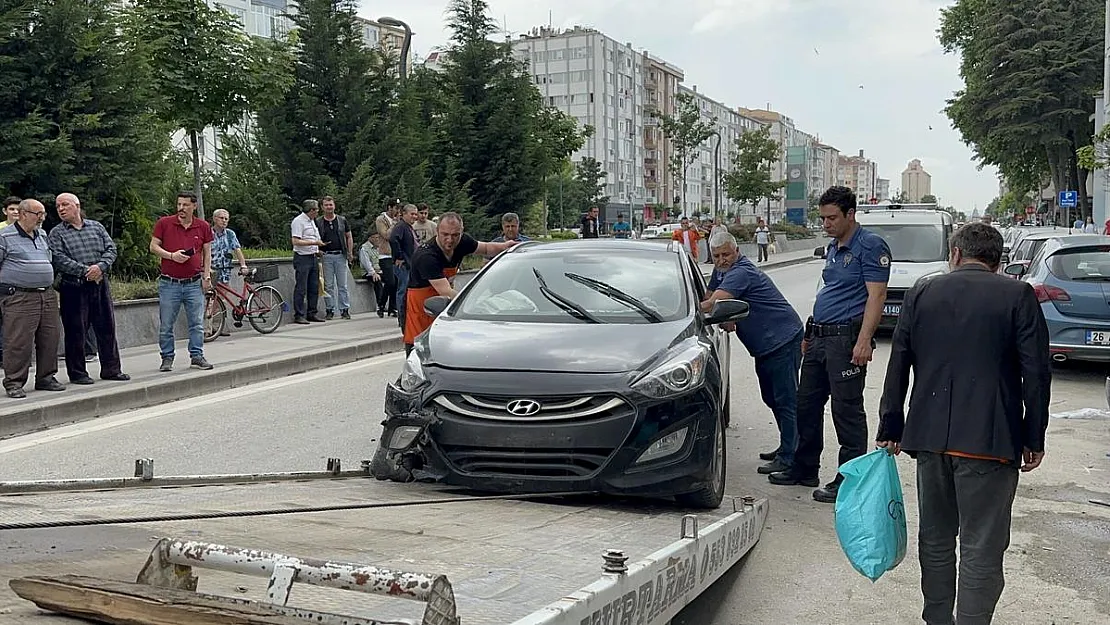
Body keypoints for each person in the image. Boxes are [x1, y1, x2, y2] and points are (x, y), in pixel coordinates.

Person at [877, 222, 1051, 625]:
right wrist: (1033, 435)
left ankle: (937, 618)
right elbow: (1036, 373)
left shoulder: (923, 291)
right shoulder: (1017, 294)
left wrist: (891, 424)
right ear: (998, 260)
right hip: (989, 442)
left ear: (955, 254)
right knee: (981, 546)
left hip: (930, 440)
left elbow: (899, 358)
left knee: (936, 539)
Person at [768, 185, 892, 503]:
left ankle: (849, 480)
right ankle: (804, 467)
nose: (826, 224)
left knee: (846, 412)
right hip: (821, 338)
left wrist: (864, 340)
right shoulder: (835, 247)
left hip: (846, 341)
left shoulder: (869, 245)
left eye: (831, 218)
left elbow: (877, 296)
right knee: (806, 405)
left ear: (851, 214)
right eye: (822, 218)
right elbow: (829, 293)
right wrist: (810, 335)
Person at [702, 231, 803, 472]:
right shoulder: (721, 271)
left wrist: (684, 309)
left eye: (726, 254)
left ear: (736, 251)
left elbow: (714, 302)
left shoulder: (740, 271)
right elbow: (710, 295)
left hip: (782, 339)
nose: (721, 260)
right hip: (766, 345)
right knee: (771, 397)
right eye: (716, 256)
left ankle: (792, 457)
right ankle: (787, 445)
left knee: (786, 399)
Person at [402, 212, 518, 354]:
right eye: (445, 234)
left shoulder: (462, 242)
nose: (449, 240)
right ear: (437, 231)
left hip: (443, 309)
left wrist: (505, 246)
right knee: (419, 357)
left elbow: (486, 248)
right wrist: (475, 307)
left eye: (455, 235)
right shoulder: (426, 257)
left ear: (461, 233)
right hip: (419, 313)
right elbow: (446, 292)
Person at [47, 192, 130, 384]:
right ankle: (77, 373)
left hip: (100, 283)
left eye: (65, 205)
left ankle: (111, 369)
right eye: (58, 206)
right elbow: (58, 258)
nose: (60, 209)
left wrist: (100, 267)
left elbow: (111, 249)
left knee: (107, 328)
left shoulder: (96, 226)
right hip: (73, 287)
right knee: (76, 331)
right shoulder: (57, 233)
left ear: (77, 205)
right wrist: (85, 270)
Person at [0, 199, 64, 398]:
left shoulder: (42, 235)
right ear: (23, 214)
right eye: (38, 214)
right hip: (19, 295)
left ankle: (46, 377)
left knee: (50, 337)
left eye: (43, 214)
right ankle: (14, 382)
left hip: (46, 293)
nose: (42, 218)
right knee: (19, 340)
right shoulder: (4, 236)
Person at [150, 192, 214, 372]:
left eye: (185, 205)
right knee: (166, 323)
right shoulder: (164, 223)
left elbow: (207, 252)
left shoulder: (202, 226)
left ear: (194, 206)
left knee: (196, 322)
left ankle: (197, 355)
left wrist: (206, 275)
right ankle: (167, 357)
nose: (181, 208)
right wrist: (171, 256)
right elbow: (153, 246)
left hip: (193, 282)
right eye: (179, 204)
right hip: (170, 283)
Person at [315, 196, 354, 320]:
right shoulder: (319, 221)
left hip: (340, 255)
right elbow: (314, 237)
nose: (329, 207)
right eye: (326, 205)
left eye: (330, 204)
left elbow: (349, 236)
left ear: (334, 205)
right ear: (322, 207)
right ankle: (329, 309)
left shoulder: (342, 220)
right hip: (326, 256)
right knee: (328, 285)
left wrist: (350, 252)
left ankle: (344, 309)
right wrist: (318, 250)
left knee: (342, 284)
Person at [290, 199, 326, 324]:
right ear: (311, 210)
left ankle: (312, 312)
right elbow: (296, 241)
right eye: (316, 210)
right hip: (302, 257)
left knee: (314, 286)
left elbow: (313, 237)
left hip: (313, 256)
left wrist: (317, 248)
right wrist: (314, 243)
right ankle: (299, 314)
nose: (318, 212)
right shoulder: (298, 222)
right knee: (301, 287)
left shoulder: (312, 222)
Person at [390, 204, 419, 330]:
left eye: (415, 214)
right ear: (404, 214)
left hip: (410, 264)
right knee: (402, 290)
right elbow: (393, 239)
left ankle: (406, 316)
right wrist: (399, 256)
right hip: (403, 265)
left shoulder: (408, 227)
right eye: (412, 214)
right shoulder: (400, 227)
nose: (414, 216)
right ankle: (402, 317)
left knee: (406, 290)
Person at [359, 232, 384, 312]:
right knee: (377, 281)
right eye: (375, 237)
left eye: (378, 237)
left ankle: (392, 305)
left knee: (392, 280)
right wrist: (373, 273)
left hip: (380, 271)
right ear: (370, 238)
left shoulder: (380, 247)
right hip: (368, 273)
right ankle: (380, 304)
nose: (378, 239)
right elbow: (366, 263)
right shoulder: (364, 248)